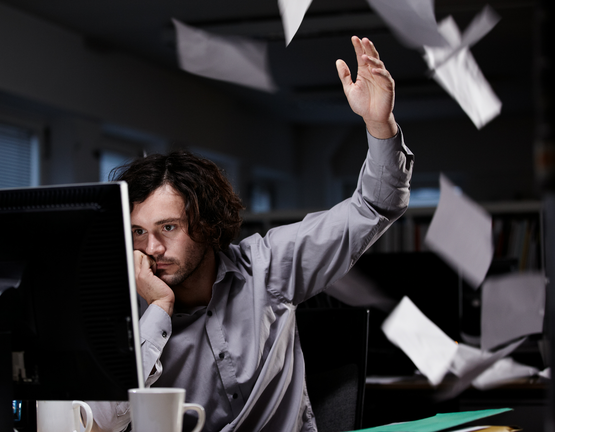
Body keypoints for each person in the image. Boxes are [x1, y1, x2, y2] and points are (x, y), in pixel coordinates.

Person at [88, 35, 414, 432]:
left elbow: (373, 207)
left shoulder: (270, 266)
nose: (152, 248)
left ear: (206, 223)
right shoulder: (126, 310)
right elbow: (100, 424)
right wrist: (156, 310)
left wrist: (379, 125)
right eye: (138, 231)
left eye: (168, 227)